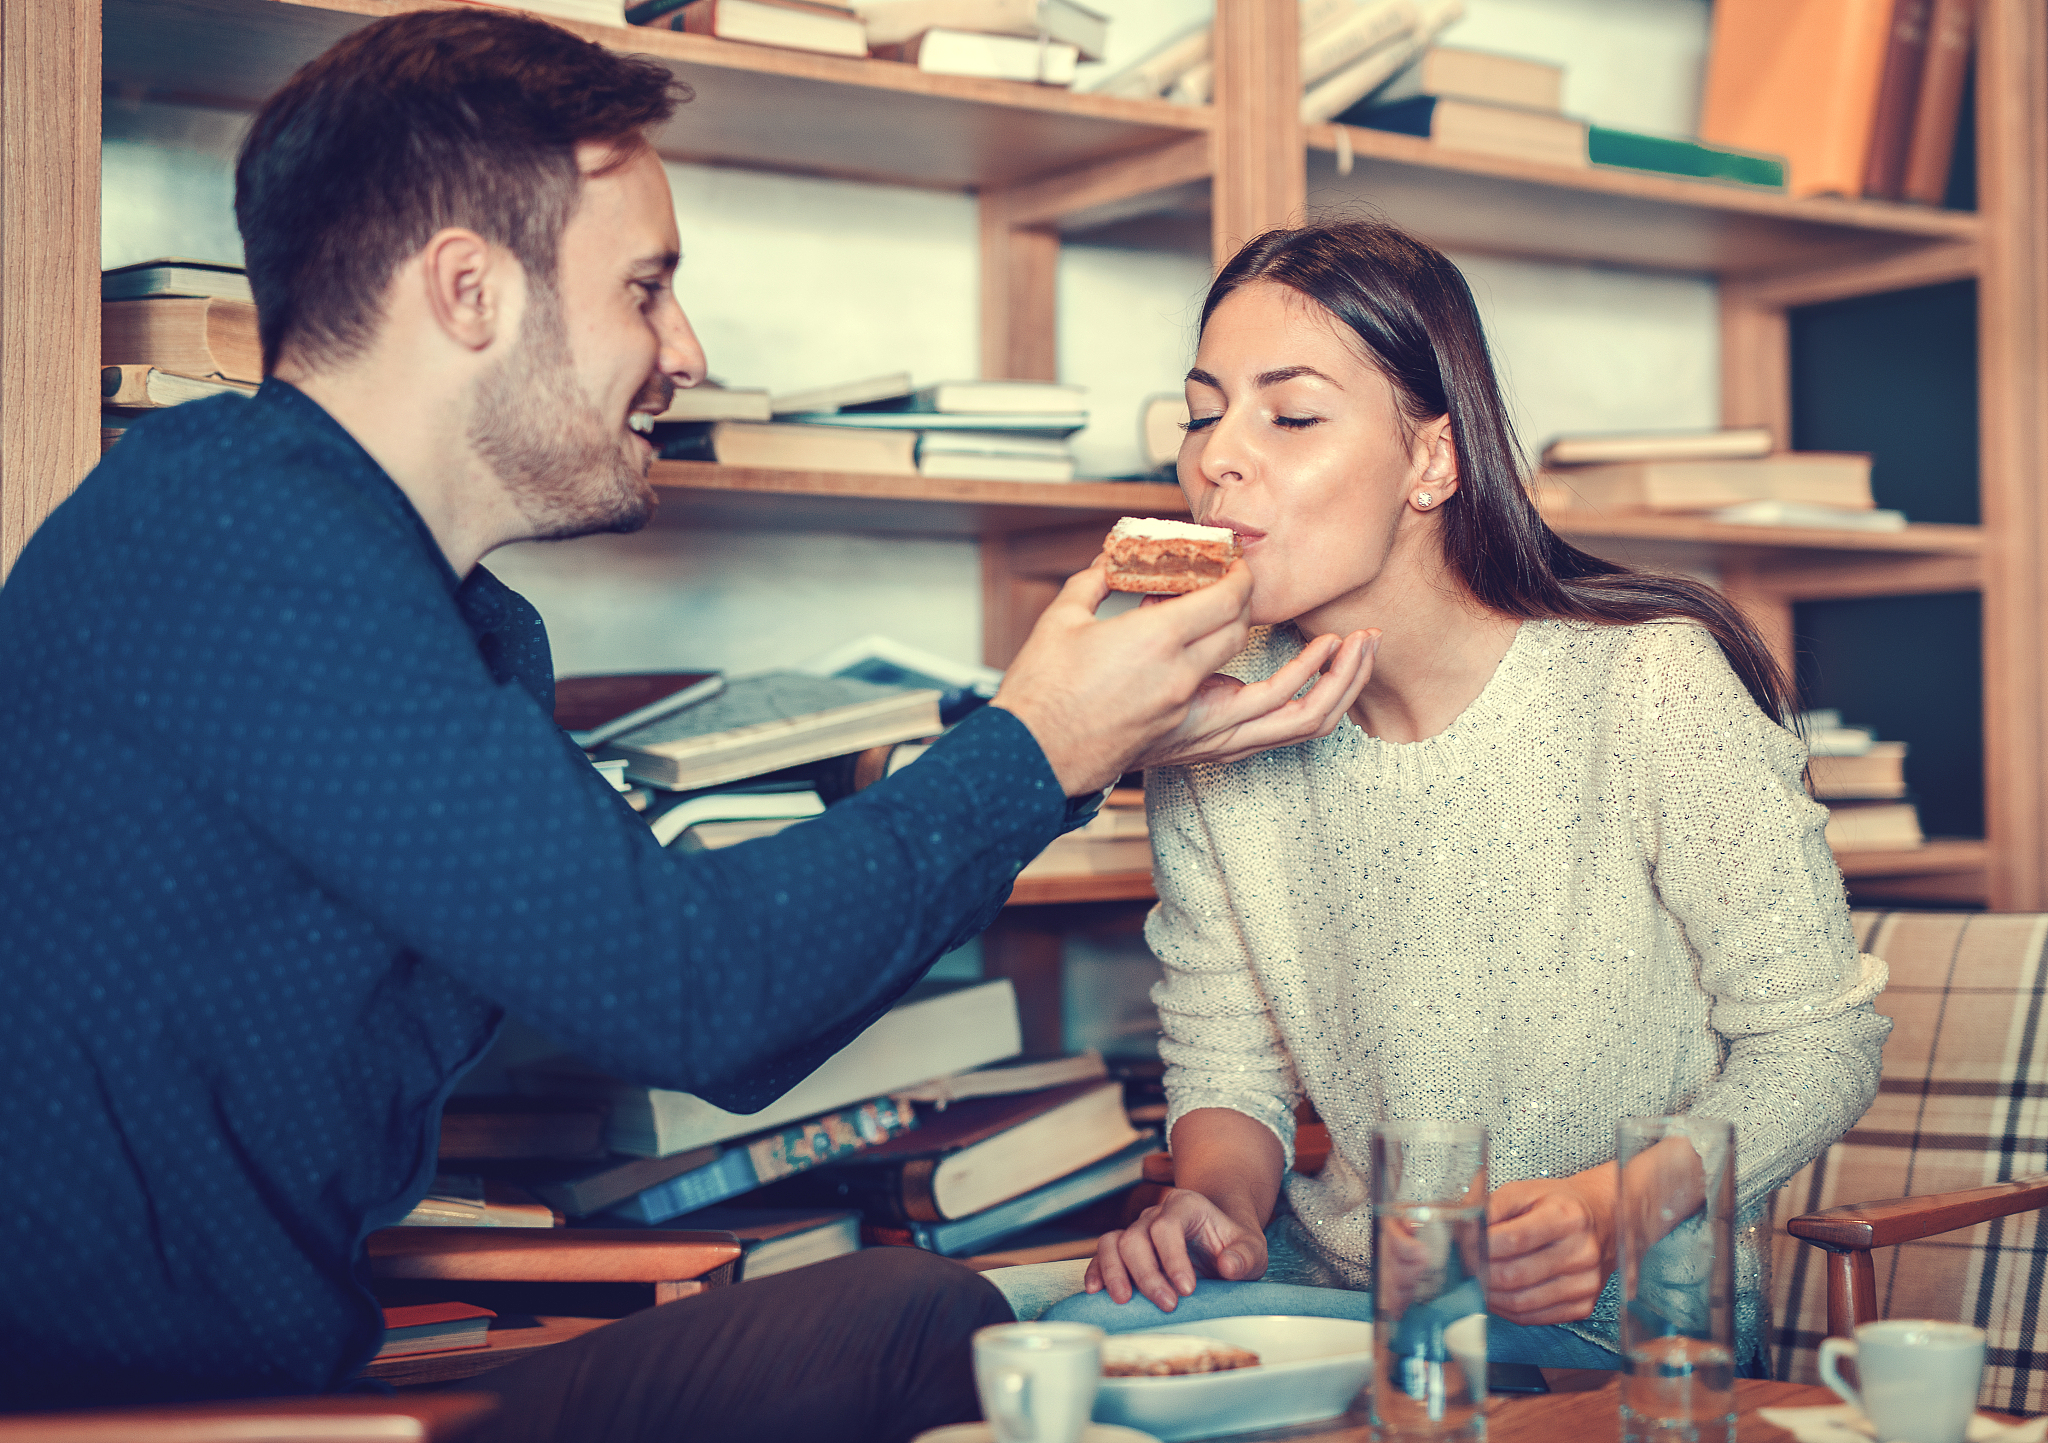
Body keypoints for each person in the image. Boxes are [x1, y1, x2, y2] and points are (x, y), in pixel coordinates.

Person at [0, 14, 1376, 1437]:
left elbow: (725, 1010)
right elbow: (697, 991)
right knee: (940, 1341)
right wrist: (1043, 744)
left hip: (283, 1376)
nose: (686, 349)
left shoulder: (441, 611)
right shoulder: (246, 544)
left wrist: (1088, 747)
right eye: (646, 288)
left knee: (922, 1313)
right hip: (127, 1407)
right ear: (467, 290)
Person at [993, 220, 1892, 1375]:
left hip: (1608, 1333)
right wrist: (1208, 1205)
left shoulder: (1648, 679)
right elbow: (1226, 1066)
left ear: (1431, 459)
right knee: (1072, 1347)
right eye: (1201, 410)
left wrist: (1616, 1206)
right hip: (1339, 1307)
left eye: (1291, 414)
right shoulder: (1214, 712)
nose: (1218, 457)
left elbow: (1818, 1045)